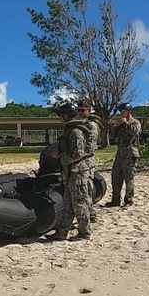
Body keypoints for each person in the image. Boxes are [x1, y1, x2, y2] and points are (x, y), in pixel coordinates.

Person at [49, 107, 95, 241]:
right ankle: (62, 232)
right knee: (68, 203)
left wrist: (61, 157)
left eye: (61, 116)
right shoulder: (71, 130)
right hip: (71, 172)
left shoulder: (76, 131)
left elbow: (78, 153)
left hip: (78, 173)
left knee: (80, 203)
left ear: (67, 116)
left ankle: (85, 232)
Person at [107, 102, 143, 207]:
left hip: (130, 155)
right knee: (116, 177)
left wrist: (125, 124)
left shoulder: (135, 122)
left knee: (129, 178)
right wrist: (115, 127)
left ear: (129, 112)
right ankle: (115, 200)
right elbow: (113, 137)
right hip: (120, 155)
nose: (122, 113)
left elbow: (134, 131)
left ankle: (129, 200)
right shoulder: (121, 123)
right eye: (121, 112)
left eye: (124, 111)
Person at [77, 100, 100, 223]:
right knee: (85, 190)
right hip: (81, 162)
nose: (80, 113)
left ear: (89, 111)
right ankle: (91, 214)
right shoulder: (81, 123)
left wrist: (77, 155)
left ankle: (92, 214)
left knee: (87, 189)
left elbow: (90, 146)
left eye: (82, 110)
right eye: (78, 110)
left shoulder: (91, 125)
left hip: (87, 162)